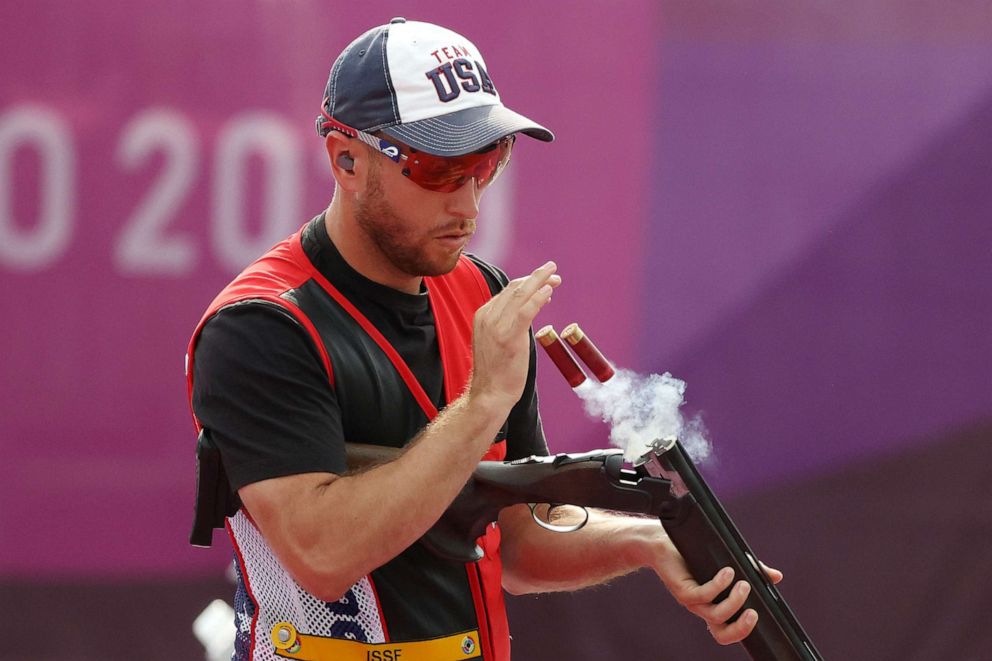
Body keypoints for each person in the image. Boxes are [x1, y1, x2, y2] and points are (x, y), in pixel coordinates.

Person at [186, 18, 782, 661]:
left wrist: (648, 544)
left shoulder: (480, 293)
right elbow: (322, 555)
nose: (469, 204)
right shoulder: (262, 326)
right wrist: (479, 406)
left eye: (487, 162)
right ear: (347, 160)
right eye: (440, 169)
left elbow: (518, 543)